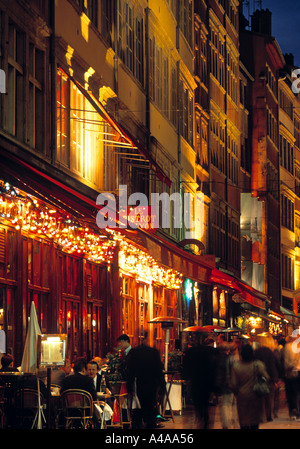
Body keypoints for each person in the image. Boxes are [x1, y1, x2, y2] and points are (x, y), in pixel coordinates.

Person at [126, 334, 165, 429]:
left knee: (143, 404)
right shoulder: (154, 352)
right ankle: (150, 422)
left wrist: (129, 387)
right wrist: (162, 385)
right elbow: (159, 370)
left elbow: (130, 371)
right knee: (151, 404)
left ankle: (145, 421)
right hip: (152, 383)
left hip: (141, 383)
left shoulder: (135, 352)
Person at [231, 344, 269, 429]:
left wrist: (236, 392)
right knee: (254, 419)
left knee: (243, 419)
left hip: (242, 396)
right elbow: (266, 377)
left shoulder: (236, 366)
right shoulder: (258, 365)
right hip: (255, 395)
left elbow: (234, 384)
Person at [183, 336, 218, 429]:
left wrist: (186, 379)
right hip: (207, 382)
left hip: (196, 382)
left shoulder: (190, 352)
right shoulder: (210, 352)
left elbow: (186, 367)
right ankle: (205, 422)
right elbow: (214, 368)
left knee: (198, 404)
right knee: (205, 404)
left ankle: (200, 419)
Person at [254, 339, 279, 422]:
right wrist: (275, 379)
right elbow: (273, 366)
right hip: (270, 378)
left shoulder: (256, 352)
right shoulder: (270, 352)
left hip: (259, 377)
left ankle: (261, 415)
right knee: (269, 397)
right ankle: (269, 415)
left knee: (260, 397)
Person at [283, 333, 300, 420]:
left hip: (291, 373)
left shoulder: (288, 347)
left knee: (292, 393)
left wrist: (289, 367)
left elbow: (286, 362)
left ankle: (293, 411)